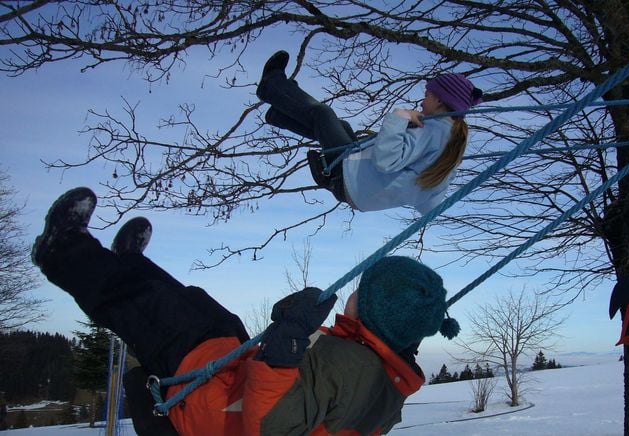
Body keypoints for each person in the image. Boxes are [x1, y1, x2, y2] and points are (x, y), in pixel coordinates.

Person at [31, 187, 459, 435]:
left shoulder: (351, 368)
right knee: (205, 309)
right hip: (233, 373)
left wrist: (284, 348)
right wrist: (288, 328)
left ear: (372, 310)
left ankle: (62, 252)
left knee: (150, 311)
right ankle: (130, 263)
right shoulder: (377, 365)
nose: (351, 294)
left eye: (360, 292)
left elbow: (276, 424)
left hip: (208, 404)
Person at [256, 50, 483, 214]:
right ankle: (279, 114)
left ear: (441, 100)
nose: (423, 102)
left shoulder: (435, 130)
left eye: (427, 95)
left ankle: (271, 85)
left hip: (350, 179)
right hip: (360, 194)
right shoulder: (454, 144)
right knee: (341, 128)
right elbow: (428, 204)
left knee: (323, 114)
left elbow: (386, 160)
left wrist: (400, 117)